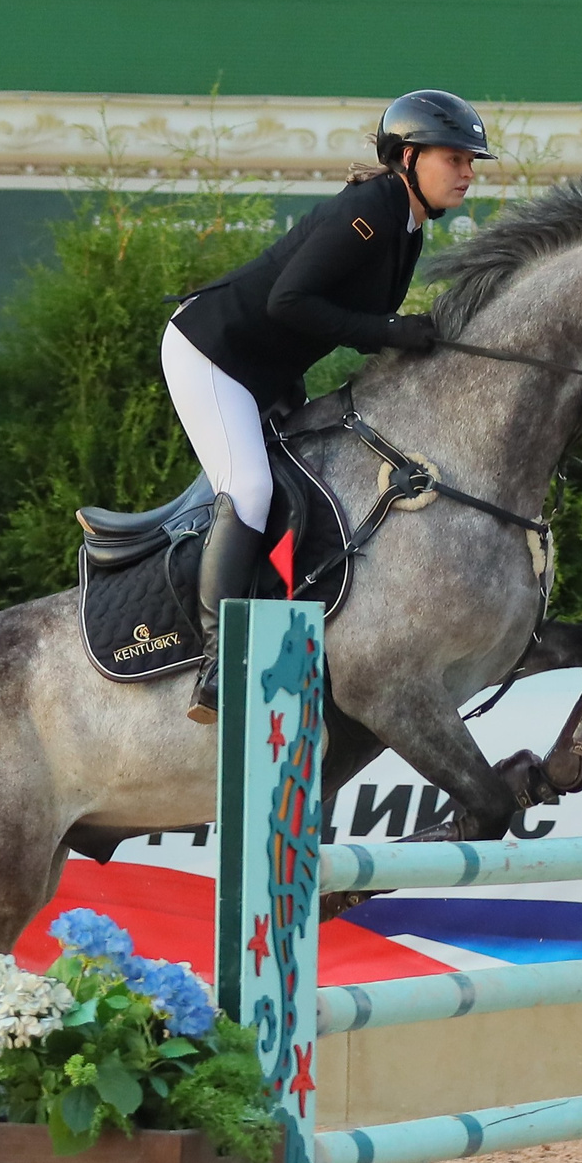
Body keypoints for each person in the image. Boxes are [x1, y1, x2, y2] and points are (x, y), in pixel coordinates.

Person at [164, 88, 493, 722]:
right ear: (409, 157)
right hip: (212, 354)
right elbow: (288, 302)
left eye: (470, 161)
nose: (467, 172)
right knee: (250, 489)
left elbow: (338, 315)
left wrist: (404, 336)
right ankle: (216, 660)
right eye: (454, 158)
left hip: (267, 368)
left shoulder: (406, 225)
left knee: (307, 480)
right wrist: (391, 330)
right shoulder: (370, 210)